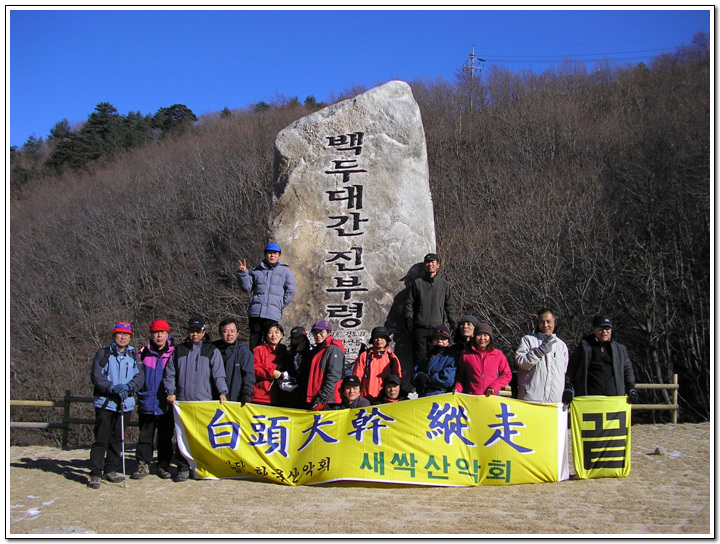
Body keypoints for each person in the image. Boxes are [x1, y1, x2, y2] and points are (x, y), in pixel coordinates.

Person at [163, 317, 228, 482]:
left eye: (198, 331)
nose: (194, 334)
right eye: (192, 331)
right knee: (182, 437)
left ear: (203, 332)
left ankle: (201, 468)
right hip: (183, 403)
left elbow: (219, 374)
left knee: (202, 437)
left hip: (203, 402)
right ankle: (183, 468)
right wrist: (170, 391)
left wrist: (222, 392)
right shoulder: (179, 350)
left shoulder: (211, 350)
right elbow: (170, 373)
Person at [88, 322, 145, 489]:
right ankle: (95, 473)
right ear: (114, 336)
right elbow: (96, 376)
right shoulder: (104, 353)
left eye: (126, 334)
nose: (123, 337)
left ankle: (110, 469)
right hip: (106, 403)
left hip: (124, 404)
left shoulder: (134, 356)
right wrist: (110, 387)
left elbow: (140, 378)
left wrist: (129, 387)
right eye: (120, 334)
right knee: (101, 439)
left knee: (117, 439)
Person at [132, 319, 175, 480]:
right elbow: (136, 376)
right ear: (151, 334)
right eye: (156, 332)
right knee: (145, 436)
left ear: (167, 334)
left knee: (165, 437)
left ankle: (163, 465)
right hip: (147, 401)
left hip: (166, 403)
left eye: (162, 332)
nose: (159, 336)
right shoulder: (142, 353)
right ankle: (143, 464)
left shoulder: (173, 353)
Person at [565, 314, 639, 404]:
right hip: (589, 400)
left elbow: (627, 370)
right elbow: (572, 368)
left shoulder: (620, 349)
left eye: (607, 328)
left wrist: (631, 388)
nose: (604, 332)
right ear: (594, 329)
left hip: (614, 400)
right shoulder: (584, 347)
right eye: (600, 328)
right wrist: (569, 386)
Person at [236, 243, 297, 349]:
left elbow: (291, 290)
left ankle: (269, 365)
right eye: (269, 253)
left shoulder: (285, 271)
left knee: (270, 341)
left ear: (279, 255)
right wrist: (244, 274)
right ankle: (254, 364)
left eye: (275, 253)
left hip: (272, 313)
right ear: (265, 254)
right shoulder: (257, 270)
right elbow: (246, 288)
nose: (272, 256)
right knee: (255, 340)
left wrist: (279, 304)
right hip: (256, 311)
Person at [403, 253, 457, 365]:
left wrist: (452, 321)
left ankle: (432, 382)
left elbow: (449, 305)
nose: (430, 264)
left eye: (433, 262)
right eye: (427, 262)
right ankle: (419, 381)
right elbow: (409, 303)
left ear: (438, 265)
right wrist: (408, 317)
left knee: (436, 360)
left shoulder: (444, 284)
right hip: (419, 328)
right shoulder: (418, 283)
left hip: (437, 330)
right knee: (419, 360)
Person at [515, 308, 569, 404]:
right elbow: (521, 362)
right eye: (541, 322)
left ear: (554, 322)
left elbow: (564, 370)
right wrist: (538, 352)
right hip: (531, 399)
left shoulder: (561, 345)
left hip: (554, 400)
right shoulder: (528, 340)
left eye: (548, 322)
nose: (545, 325)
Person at [454, 323, 512, 397]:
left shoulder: (498, 354)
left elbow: (506, 375)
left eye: (485, 335)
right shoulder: (466, 354)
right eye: (479, 335)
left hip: (492, 398)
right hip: (471, 398)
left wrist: (494, 387)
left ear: (490, 338)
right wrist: (458, 388)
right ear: (474, 337)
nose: (482, 338)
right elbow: (460, 375)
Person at [351, 327, 402, 399]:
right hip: (367, 397)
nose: (379, 340)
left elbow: (398, 378)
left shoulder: (392, 358)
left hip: (386, 399)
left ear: (386, 340)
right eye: (376, 337)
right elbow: (357, 377)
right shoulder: (364, 356)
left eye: (382, 337)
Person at [213, 318, 255, 406]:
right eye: (226, 331)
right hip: (215, 397)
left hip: (236, 397)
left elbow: (249, 374)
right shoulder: (213, 349)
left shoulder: (243, 351)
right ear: (220, 333)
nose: (229, 334)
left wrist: (247, 392)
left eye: (232, 331)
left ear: (237, 333)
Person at [306, 320, 345, 410]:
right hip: (317, 397)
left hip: (329, 400)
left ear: (329, 332)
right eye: (315, 333)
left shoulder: (333, 349)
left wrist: (323, 397)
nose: (318, 335)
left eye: (321, 332)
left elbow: (334, 375)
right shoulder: (319, 349)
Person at [412, 324, 458, 397]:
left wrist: (429, 379)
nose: (439, 341)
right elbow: (415, 373)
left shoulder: (451, 357)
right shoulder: (427, 356)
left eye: (443, 339)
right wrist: (419, 377)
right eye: (436, 338)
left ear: (448, 342)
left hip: (442, 396)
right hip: (424, 396)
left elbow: (448, 379)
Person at [251, 322, 290, 405]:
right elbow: (254, 369)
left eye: (276, 332)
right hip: (260, 395)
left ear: (282, 335)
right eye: (270, 333)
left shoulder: (285, 352)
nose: (273, 335)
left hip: (279, 396)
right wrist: (271, 373)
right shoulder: (258, 350)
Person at [279, 326, 310, 408]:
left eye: (299, 338)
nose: (296, 341)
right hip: (288, 395)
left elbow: (300, 370)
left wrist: (298, 353)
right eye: (294, 338)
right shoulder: (288, 354)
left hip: (303, 394)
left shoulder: (310, 354)